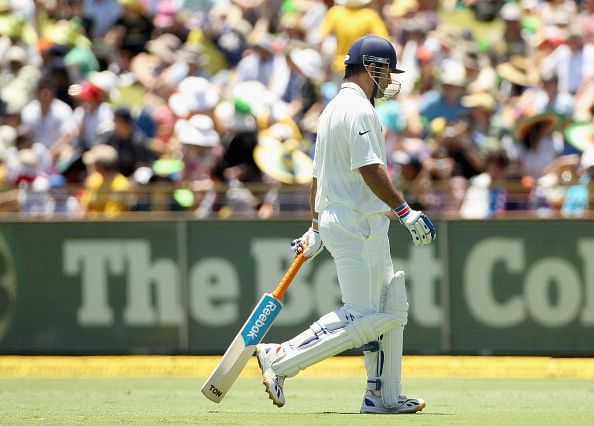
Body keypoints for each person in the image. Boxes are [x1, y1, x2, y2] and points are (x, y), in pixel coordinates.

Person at [255, 35, 436, 414]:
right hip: (358, 223)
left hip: (348, 219)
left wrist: (316, 225)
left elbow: (317, 176)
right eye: (386, 72)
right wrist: (406, 211)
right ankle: (281, 355)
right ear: (373, 67)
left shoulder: (332, 109)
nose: (388, 81)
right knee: (365, 316)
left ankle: (382, 395)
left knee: (392, 303)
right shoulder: (357, 110)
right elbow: (370, 167)